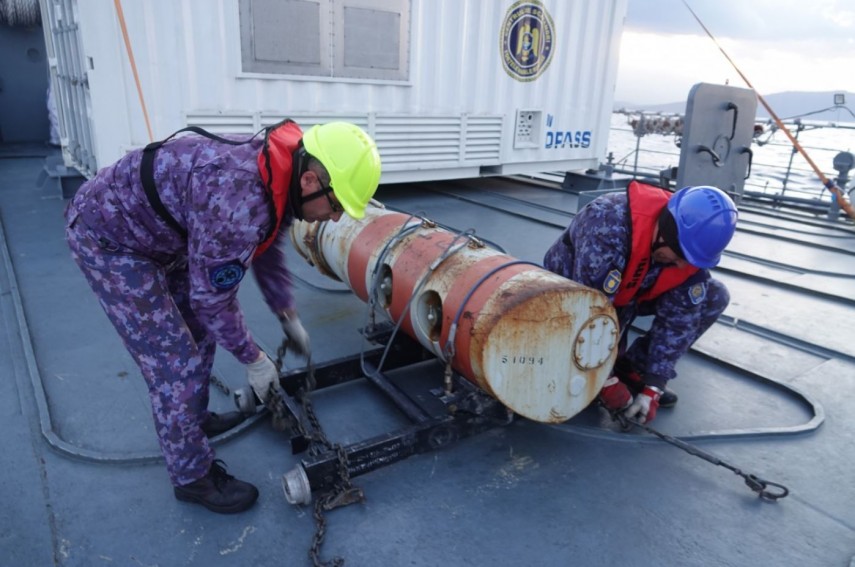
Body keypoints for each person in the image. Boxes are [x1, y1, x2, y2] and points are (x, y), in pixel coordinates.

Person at [64, 120, 381, 514]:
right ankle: (192, 477)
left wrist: (286, 313)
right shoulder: (238, 201)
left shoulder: (281, 172)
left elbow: (266, 248)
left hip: (160, 233)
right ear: (311, 181)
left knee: (200, 331)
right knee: (174, 363)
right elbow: (211, 300)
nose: (333, 218)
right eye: (336, 206)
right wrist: (254, 359)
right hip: (111, 240)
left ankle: (193, 420)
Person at [543, 180, 738, 425]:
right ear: (667, 233)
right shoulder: (607, 223)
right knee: (572, 363)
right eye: (681, 255)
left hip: (631, 294)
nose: (682, 265)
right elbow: (589, 311)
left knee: (713, 295)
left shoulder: (685, 254)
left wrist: (654, 386)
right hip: (571, 296)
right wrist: (604, 380)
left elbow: (680, 322)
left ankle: (633, 367)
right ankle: (592, 365)